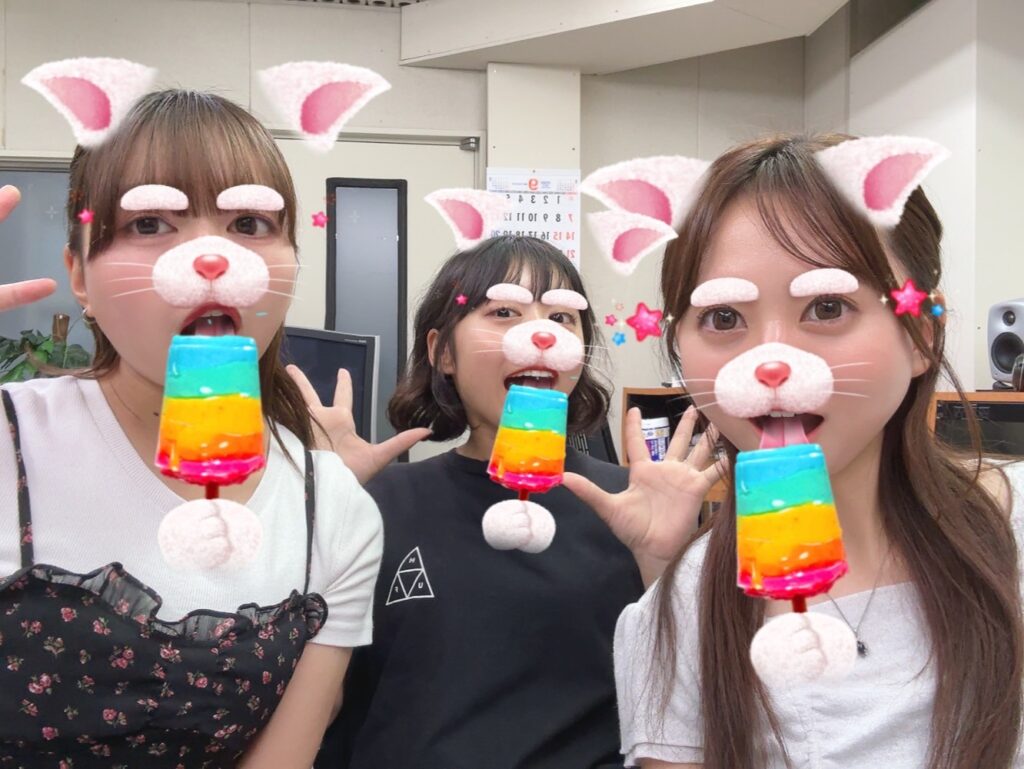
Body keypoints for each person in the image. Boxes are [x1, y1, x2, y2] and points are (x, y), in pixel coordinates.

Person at [570, 134, 1024, 768]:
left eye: (827, 306)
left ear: (921, 335)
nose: (769, 361)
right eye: (724, 319)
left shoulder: (1014, 528)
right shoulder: (681, 612)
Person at [0, 90, 385, 768]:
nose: (212, 258)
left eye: (248, 222)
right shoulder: (11, 443)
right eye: (150, 223)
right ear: (79, 276)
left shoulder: (335, 511)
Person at [305, 236, 714, 769]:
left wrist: (663, 564)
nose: (540, 334)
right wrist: (318, 515)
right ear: (442, 352)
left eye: (562, 318)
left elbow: (689, 708)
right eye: (503, 312)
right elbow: (319, 709)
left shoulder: (629, 505)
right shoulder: (379, 501)